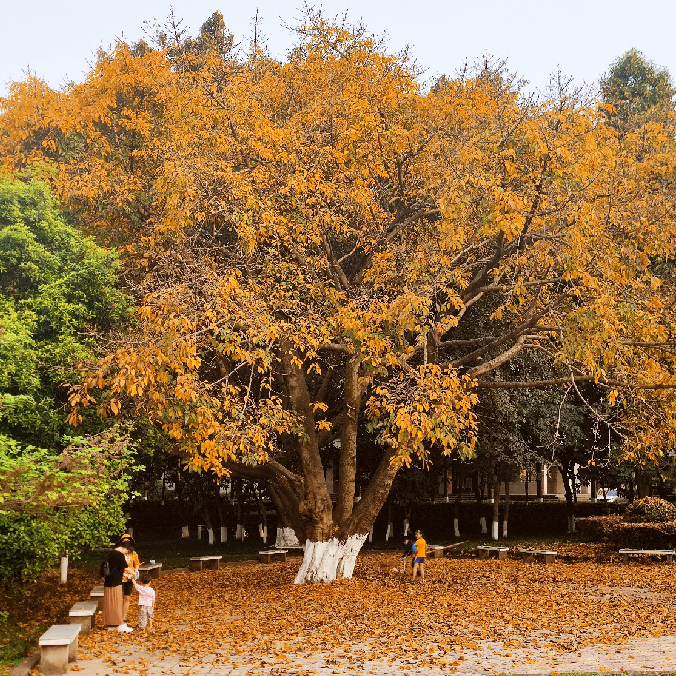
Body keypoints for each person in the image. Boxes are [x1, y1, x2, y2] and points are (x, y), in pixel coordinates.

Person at [103, 542, 133, 632]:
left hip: (108, 581)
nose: (125, 553)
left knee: (110, 603)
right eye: (126, 551)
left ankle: (111, 624)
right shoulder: (119, 555)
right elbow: (126, 567)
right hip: (116, 582)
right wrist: (135, 573)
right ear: (123, 548)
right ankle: (119, 623)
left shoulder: (111, 554)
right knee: (117, 603)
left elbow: (115, 568)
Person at [119, 534, 140, 623]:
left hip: (129, 578)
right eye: (124, 540)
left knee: (127, 598)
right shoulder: (119, 553)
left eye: (128, 540)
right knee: (119, 598)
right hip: (120, 578)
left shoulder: (133, 553)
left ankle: (123, 617)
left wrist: (135, 571)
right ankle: (118, 616)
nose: (126, 542)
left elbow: (137, 564)